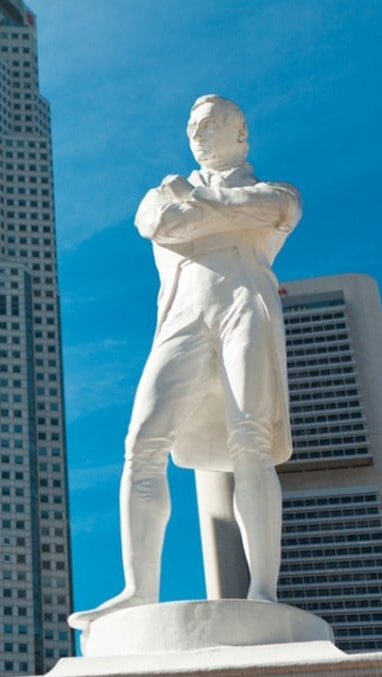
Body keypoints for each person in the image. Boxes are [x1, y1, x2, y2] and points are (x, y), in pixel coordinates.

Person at [68, 95, 301, 630]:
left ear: (240, 133)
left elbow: (271, 210)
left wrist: (195, 203)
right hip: (182, 312)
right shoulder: (160, 194)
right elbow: (158, 222)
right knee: (142, 442)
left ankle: (263, 590)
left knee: (251, 439)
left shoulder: (277, 191)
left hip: (244, 298)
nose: (199, 133)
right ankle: (138, 589)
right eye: (193, 125)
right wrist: (209, 210)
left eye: (212, 123)